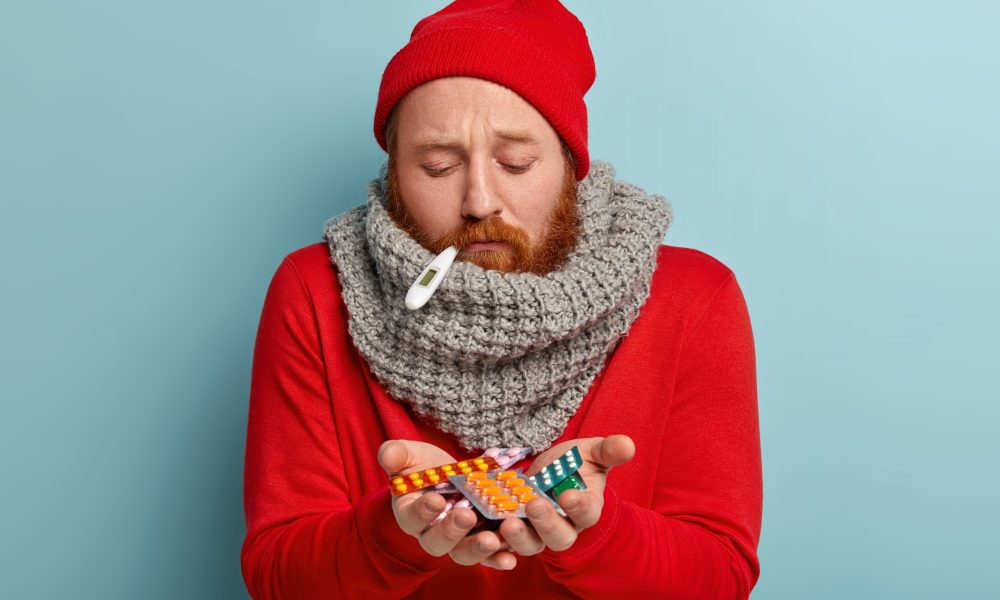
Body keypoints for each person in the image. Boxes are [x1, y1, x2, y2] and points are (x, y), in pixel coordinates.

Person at [240, 0, 762, 598]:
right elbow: (276, 577)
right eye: (437, 167)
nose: (479, 201)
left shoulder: (693, 298)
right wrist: (389, 533)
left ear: (570, 164)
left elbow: (720, 578)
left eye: (516, 162)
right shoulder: (313, 290)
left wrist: (597, 529)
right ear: (394, 176)